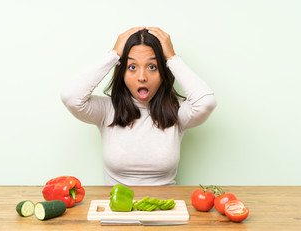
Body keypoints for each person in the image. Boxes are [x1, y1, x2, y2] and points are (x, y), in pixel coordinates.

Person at [61, 27, 216, 186]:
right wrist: (113, 55)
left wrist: (172, 58)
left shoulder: (178, 113)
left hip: (166, 207)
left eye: (152, 67)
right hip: (116, 207)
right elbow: (71, 97)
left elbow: (206, 103)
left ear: (164, 72)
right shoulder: (107, 111)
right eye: (132, 67)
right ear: (122, 72)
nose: (142, 77)